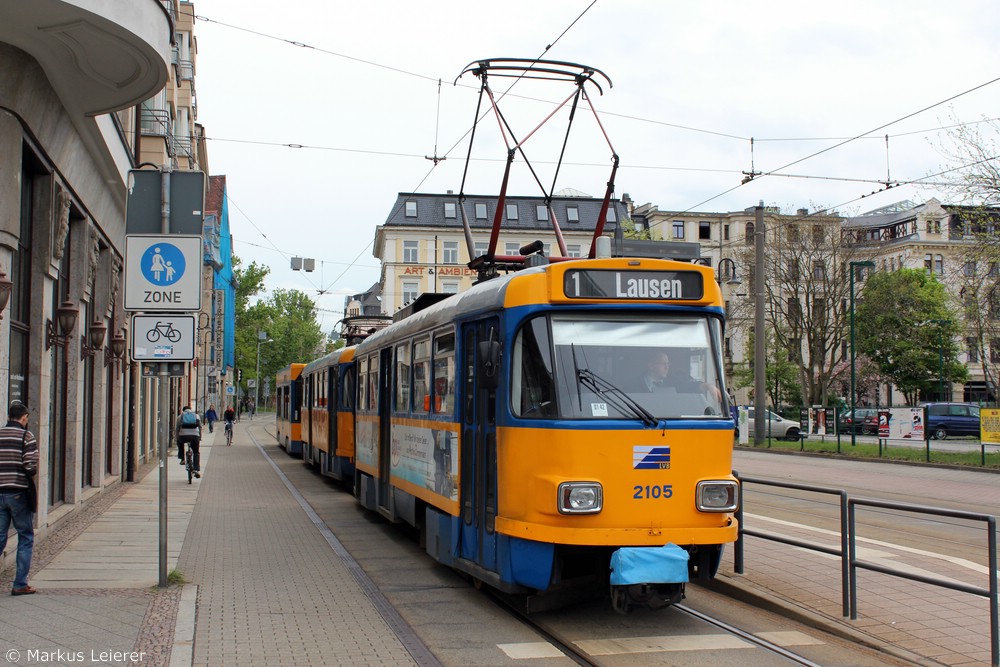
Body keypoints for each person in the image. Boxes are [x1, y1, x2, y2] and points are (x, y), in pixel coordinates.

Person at [0, 401, 38, 596]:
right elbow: (31, 466)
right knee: (25, 536)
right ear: (24, 418)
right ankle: (20, 583)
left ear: (8, 417)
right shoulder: (26, 436)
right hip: (18, 493)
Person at [642, 350, 722, 400]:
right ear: (651, 366)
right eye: (663, 364)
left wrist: (708, 386)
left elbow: (689, 386)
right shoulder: (634, 384)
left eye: (668, 364)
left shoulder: (673, 381)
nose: (667, 367)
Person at [175, 406, 202, 478]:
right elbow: (200, 427)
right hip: (194, 436)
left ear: (183, 411)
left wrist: (177, 438)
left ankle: (182, 459)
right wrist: (199, 437)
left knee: (180, 443)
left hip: (183, 436)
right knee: (196, 452)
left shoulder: (180, 416)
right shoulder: (196, 416)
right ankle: (196, 469)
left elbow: (177, 428)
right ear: (190, 410)